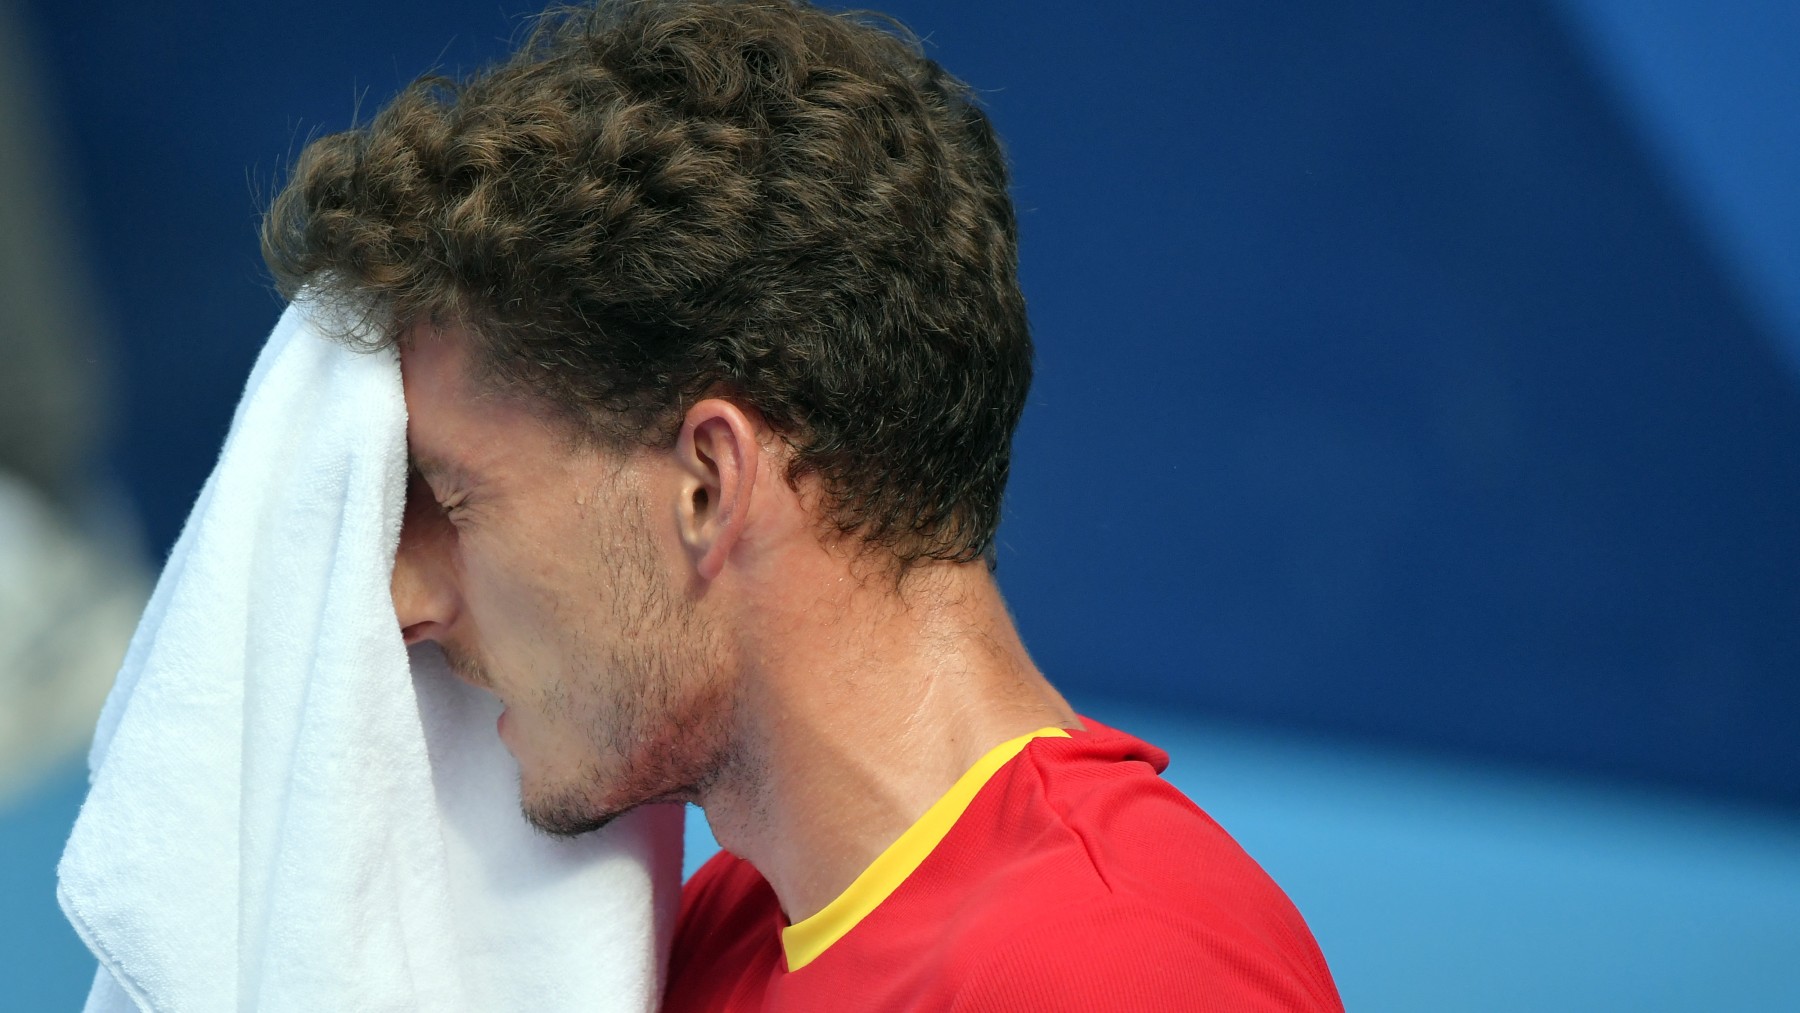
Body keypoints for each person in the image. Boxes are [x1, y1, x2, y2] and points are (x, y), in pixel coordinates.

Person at [262, 1, 1343, 1008]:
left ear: (707, 486)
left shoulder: (1119, 971)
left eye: (456, 497)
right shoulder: (714, 939)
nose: (404, 597)